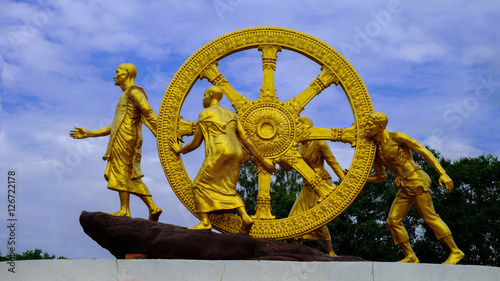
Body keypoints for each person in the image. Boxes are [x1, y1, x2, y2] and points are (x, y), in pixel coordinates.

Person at [172, 86, 276, 234]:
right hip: (236, 152)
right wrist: (262, 159)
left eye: (204, 95)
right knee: (228, 189)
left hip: (220, 151)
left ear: (209, 95)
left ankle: (205, 222)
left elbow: (196, 142)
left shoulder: (205, 113)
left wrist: (179, 150)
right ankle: (245, 217)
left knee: (199, 185)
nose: (203, 99)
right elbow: (245, 139)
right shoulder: (231, 114)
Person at [364, 111, 464, 264]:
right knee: (392, 221)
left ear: (380, 126)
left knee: (429, 217)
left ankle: (456, 251)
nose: (366, 127)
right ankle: (411, 256)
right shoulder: (376, 152)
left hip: (417, 180)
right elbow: (381, 177)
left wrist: (443, 173)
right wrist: (361, 178)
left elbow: (423, 151)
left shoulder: (398, 138)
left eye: (370, 125)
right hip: (404, 185)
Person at [70, 63, 162, 221]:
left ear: (127, 73)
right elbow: (115, 125)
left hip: (127, 138)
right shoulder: (126, 94)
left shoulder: (134, 91)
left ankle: (138, 208)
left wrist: (162, 133)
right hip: (121, 136)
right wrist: (89, 133)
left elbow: (148, 111)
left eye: (118, 72)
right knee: (123, 173)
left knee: (124, 171)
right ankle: (137, 208)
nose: (115, 76)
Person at [289, 116, 346, 256]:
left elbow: (334, 164)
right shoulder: (299, 147)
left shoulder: (320, 144)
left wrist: (346, 182)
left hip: (322, 185)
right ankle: (295, 254)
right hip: (306, 186)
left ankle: (330, 252)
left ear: (305, 129)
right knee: (292, 221)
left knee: (318, 220)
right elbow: (287, 168)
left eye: (297, 128)